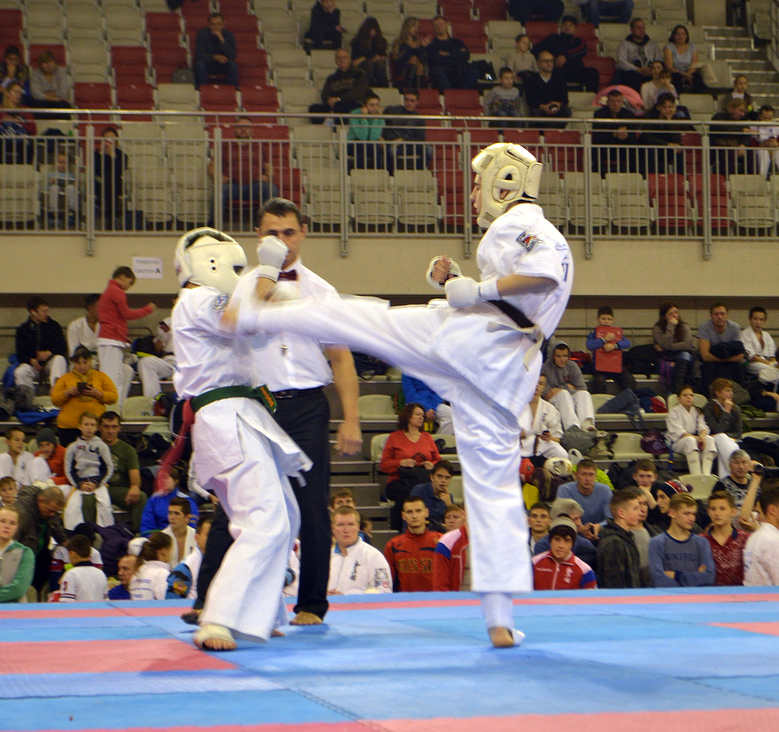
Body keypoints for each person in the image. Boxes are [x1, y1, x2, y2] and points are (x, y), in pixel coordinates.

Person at [231, 141, 573, 648]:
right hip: (507, 366)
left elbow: (544, 274)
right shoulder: (527, 231)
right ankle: (499, 618)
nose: (473, 194)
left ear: (505, 184)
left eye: (478, 184)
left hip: (477, 341)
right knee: (495, 489)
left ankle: (265, 308)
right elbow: (524, 297)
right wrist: (459, 282)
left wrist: (479, 291)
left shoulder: (523, 223)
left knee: (370, 321)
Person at [194, 199, 363, 629]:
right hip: (255, 404)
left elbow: (341, 358)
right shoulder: (238, 286)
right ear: (258, 236)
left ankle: (311, 604)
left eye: (289, 232)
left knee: (312, 504)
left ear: (303, 232)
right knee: (236, 503)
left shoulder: (321, 290)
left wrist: (351, 419)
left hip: (307, 404)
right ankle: (206, 598)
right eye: (272, 233)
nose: (282, 241)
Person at [167, 227, 310, 650]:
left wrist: (280, 291)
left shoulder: (213, 300)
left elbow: (259, 321)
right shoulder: (196, 299)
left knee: (286, 515)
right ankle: (218, 619)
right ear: (209, 261)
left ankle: (258, 615)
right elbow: (237, 317)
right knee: (263, 518)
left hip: (242, 413)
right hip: (224, 416)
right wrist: (266, 270)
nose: (237, 272)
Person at [97, 266, 155, 411]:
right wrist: (148, 309)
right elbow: (127, 314)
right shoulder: (117, 291)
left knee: (124, 373)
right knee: (111, 379)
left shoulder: (110, 291)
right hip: (110, 340)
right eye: (129, 283)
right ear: (122, 277)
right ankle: (110, 411)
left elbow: (115, 318)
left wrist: (122, 337)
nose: (129, 287)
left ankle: (117, 408)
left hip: (112, 339)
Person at [381, 403, 441, 530]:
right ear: (408, 416)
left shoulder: (427, 437)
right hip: (399, 481)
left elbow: (438, 461)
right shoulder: (394, 437)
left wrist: (432, 465)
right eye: (417, 414)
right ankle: (399, 530)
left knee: (424, 491)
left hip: (422, 479)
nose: (421, 418)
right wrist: (400, 463)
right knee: (408, 493)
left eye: (422, 415)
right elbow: (384, 465)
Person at [209, 116, 274, 227]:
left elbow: (269, 167)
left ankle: (268, 225)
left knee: (270, 189)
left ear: (251, 130)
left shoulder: (259, 146)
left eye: (246, 127)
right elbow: (211, 166)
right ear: (235, 129)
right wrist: (219, 176)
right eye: (240, 127)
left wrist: (267, 176)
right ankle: (214, 226)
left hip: (255, 186)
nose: (243, 129)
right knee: (220, 190)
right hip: (232, 186)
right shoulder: (225, 146)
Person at [649, 493, 716, 587]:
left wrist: (676, 575)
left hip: (695, 596)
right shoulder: (657, 543)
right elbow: (658, 580)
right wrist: (695, 577)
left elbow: (708, 577)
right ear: (672, 513)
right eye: (686, 514)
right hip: (669, 596)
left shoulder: (702, 542)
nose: (692, 519)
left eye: (694, 514)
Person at [63, 413, 114, 529]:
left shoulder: (102, 446)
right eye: (86, 424)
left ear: (97, 428)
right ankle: (73, 533)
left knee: (105, 507)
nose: (89, 428)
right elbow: (68, 470)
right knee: (71, 509)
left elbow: (108, 468)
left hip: (98, 483)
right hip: (79, 483)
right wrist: (79, 484)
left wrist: (96, 483)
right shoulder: (72, 447)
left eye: (92, 425)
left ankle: (106, 532)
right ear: (80, 426)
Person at [14, 295, 68, 401]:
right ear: (33, 312)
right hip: (33, 365)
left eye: (47, 311)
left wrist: (49, 353)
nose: (46, 314)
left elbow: (62, 346)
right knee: (20, 372)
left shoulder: (53, 326)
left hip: (50, 363)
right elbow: (20, 353)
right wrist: (31, 360)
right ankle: (27, 400)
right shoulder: (23, 329)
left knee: (60, 359)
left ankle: (56, 395)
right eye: (43, 311)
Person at [98, 412, 146, 530]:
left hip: (118, 489)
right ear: (99, 428)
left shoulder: (127, 450)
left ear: (119, 428)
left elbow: (135, 476)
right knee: (86, 497)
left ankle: (139, 534)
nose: (110, 431)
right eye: (106, 427)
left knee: (141, 497)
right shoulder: (92, 446)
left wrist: (135, 487)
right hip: (97, 487)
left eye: (114, 427)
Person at [327, 506, 392, 594]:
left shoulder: (374, 556)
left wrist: (346, 599)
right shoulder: (325, 557)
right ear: (332, 528)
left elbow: (385, 592)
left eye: (351, 524)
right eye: (340, 525)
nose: (346, 530)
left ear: (358, 527)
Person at [383, 497, 442, 592]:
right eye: (409, 512)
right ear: (403, 515)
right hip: (405, 600)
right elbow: (388, 582)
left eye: (418, 511)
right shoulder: (393, 545)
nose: (414, 516)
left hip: (435, 599)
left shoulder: (441, 541)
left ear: (426, 512)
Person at [595, 487, 650, 588]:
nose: (640, 512)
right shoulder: (614, 543)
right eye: (635, 509)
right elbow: (614, 583)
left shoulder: (627, 538)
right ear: (622, 513)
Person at [532, 15, 598, 92]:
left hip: (575, 70)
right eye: (565, 25)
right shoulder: (553, 38)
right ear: (561, 27)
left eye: (570, 25)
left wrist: (565, 57)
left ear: (575, 29)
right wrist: (551, 59)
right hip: (557, 69)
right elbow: (536, 49)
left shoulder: (578, 41)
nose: (567, 27)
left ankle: (592, 98)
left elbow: (583, 49)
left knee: (593, 73)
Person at [555, 459, 611, 541]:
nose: (587, 479)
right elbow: (560, 519)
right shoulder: (564, 490)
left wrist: (598, 526)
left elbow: (610, 519)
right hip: (572, 535)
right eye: (584, 474)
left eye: (591, 475)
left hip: (601, 535)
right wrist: (580, 529)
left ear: (596, 476)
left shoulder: (605, 490)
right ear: (576, 475)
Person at [667, 385, 717, 476]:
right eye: (685, 395)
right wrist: (697, 438)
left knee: (709, 439)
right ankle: (696, 475)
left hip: (694, 439)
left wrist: (702, 437)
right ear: (679, 398)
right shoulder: (674, 412)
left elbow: (703, 426)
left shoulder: (697, 411)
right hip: (678, 442)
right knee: (690, 440)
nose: (689, 397)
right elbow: (680, 432)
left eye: (691, 395)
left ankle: (706, 474)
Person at [702, 490, 749, 586]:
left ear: (733, 512)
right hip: (710, 592)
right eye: (713, 509)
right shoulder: (701, 541)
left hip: (740, 592)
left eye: (722, 509)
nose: (717, 513)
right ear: (708, 512)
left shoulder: (746, 539)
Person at [532, 522, 598, 590]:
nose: (561, 546)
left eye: (567, 541)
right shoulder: (534, 563)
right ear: (550, 541)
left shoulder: (584, 570)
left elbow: (592, 595)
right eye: (557, 539)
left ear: (572, 544)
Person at [586, 306, 636, 394]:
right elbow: (590, 345)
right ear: (598, 319)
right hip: (599, 367)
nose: (606, 321)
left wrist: (615, 346)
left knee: (630, 380)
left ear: (612, 320)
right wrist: (604, 340)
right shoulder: (593, 334)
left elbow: (627, 343)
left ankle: (625, 400)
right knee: (599, 382)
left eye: (609, 319)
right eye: (603, 319)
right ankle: (601, 400)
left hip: (615, 365)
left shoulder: (616, 333)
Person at [310, 48, 370, 118]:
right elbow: (325, 94)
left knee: (340, 106)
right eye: (339, 58)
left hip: (353, 103)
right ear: (336, 60)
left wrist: (339, 99)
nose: (341, 60)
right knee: (314, 108)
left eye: (344, 57)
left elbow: (359, 92)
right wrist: (329, 101)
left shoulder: (359, 74)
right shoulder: (331, 78)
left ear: (349, 59)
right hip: (335, 105)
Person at [697, 303, 746, 388]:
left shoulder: (735, 328)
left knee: (739, 368)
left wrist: (728, 359)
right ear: (711, 316)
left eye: (722, 314)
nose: (719, 317)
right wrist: (725, 360)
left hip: (730, 362)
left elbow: (740, 356)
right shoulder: (704, 327)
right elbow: (705, 356)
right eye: (716, 314)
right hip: (713, 361)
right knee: (708, 367)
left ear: (727, 315)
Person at [652, 303, 694, 392]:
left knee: (685, 355)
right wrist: (671, 326)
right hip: (665, 358)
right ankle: (676, 391)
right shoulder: (658, 328)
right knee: (671, 367)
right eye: (671, 314)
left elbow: (687, 345)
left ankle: (677, 390)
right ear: (664, 317)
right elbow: (666, 344)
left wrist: (668, 347)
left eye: (676, 312)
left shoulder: (684, 326)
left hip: (682, 357)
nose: (675, 315)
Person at [522, 51, 571, 125]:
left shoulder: (560, 79)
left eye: (551, 61)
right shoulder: (531, 80)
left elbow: (565, 100)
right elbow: (531, 101)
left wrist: (557, 104)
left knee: (566, 111)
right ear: (538, 63)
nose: (549, 64)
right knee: (536, 113)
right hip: (540, 109)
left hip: (556, 108)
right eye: (546, 61)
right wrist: (544, 107)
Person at [426, 16, 474, 91]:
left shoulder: (457, 42)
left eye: (441, 24)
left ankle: (465, 95)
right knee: (438, 71)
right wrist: (455, 55)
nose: (439, 27)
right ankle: (449, 95)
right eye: (436, 25)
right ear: (433, 28)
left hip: (458, 70)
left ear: (446, 25)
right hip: (443, 71)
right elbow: (436, 59)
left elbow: (465, 56)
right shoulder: (432, 44)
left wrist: (447, 54)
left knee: (472, 70)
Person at [55, 535, 109, 602]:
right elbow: (106, 602)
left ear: (72, 554)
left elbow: (67, 604)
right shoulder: (101, 574)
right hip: (99, 609)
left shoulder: (71, 575)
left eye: (68, 554)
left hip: (79, 609)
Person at [193, 13, 240, 88]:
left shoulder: (228, 35)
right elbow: (199, 54)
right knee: (199, 64)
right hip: (208, 64)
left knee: (233, 64)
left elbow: (232, 55)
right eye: (213, 24)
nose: (216, 27)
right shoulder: (203, 34)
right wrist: (215, 57)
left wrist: (222, 40)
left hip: (222, 65)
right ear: (209, 25)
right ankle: (200, 90)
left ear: (223, 25)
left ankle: (233, 90)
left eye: (219, 24)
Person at [614, 18, 662, 89]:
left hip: (651, 71)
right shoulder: (624, 44)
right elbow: (621, 62)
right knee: (630, 76)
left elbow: (659, 59)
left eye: (643, 28)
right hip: (633, 72)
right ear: (632, 30)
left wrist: (652, 69)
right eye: (638, 28)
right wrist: (637, 69)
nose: (641, 30)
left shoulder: (652, 44)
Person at [346, 94, 387, 171]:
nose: (375, 108)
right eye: (372, 105)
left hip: (370, 144)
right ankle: (360, 174)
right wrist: (363, 118)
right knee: (361, 146)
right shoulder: (355, 114)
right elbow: (362, 137)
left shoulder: (379, 115)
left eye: (377, 105)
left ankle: (377, 173)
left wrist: (376, 118)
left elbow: (373, 138)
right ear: (364, 106)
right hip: (354, 143)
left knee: (373, 147)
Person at [663, 25, 707, 94]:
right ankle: (677, 98)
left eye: (683, 34)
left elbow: (694, 66)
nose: (681, 36)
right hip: (675, 72)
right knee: (677, 77)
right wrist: (684, 75)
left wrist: (687, 75)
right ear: (674, 36)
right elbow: (669, 67)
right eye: (678, 34)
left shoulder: (693, 47)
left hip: (689, 72)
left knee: (697, 77)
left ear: (686, 36)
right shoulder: (669, 47)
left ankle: (697, 98)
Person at [751, 106, 779, 178]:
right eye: (764, 118)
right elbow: (750, 143)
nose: (767, 121)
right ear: (759, 116)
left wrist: (777, 144)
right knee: (762, 152)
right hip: (761, 150)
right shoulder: (753, 127)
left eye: (769, 119)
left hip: (775, 149)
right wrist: (761, 145)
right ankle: (762, 178)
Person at [130, 533, 174, 600]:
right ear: (164, 551)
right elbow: (165, 602)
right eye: (171, 550)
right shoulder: (162, 574)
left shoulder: (138, 571)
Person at [388, 17, 427, 90]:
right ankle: (409, 88)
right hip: (402, 67)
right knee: (413, 58)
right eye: (414, 26)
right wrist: (409, 47)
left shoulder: (418, 41)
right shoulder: (398, 41)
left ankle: (418, 88)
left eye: (417, 27)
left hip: (417, 69)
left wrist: (423, 47)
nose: (416, 29)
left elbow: (423, 59)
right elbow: (396, 58)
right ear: (408, 27)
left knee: (419, 63)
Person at [350, 17, 390, 87]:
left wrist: (375, 58)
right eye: (370, 29)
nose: (373, 31)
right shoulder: (358, 41)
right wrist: (369, 57)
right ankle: (369, 85)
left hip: (376, 63)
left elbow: (382, 54)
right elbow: (357, 57)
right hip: (362, 64)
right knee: (370, 63)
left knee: (380, 64)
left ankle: (383, 86)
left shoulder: (381, 41)